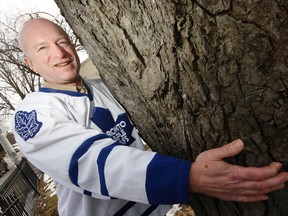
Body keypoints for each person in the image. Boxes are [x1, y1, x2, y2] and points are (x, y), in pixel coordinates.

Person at [12, 18, 288, 216]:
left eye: (62, 42)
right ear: (30, 64)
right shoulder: (33, 114)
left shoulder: (107, 87)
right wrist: (188, 177)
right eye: (42, 48)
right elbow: (90, 163)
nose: (59, 53)